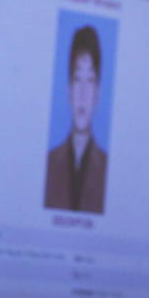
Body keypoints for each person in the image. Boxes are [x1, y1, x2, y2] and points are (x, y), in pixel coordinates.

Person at [44, 25, 108, 214]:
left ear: (98, 92)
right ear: (68, 89)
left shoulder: (107, 169)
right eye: (77, 79)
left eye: (90, 81)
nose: (83, 93)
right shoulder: (48, 164)